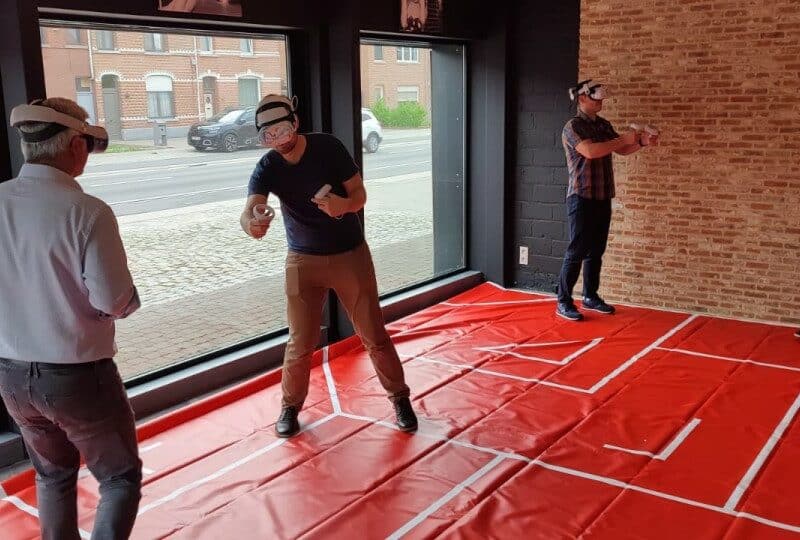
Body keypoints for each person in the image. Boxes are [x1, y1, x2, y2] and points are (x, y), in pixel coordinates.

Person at [0, 98, 142, 539]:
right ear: (76, 146)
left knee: (52, 474)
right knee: (119, 478)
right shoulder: (87, 211)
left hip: (11, 375)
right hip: (78, 377)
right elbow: (114, 301)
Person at [240, 94, 418, 438]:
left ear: (295, 123)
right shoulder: (268, 165)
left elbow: (360, 194)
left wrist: (343, 206)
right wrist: (253, 223)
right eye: (267, 136)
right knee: (299, 342)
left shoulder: (327, 147)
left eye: (282, 130)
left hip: (349, 255)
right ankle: (290, 406)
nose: (278, 140)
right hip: (302, 260)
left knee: (373, 335)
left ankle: (400, 398)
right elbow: (249, 209)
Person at [556, 80, 659, 321]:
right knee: (577, 250)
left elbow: (621, 149)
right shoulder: (573, 126)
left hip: (602, 196)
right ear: (582, 98)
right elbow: (591, 151)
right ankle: (563, 301)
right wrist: (624, 139)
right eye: (596, 97)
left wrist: (642, 142)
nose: (601, 101)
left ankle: (590, 296)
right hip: (581, 197)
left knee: (596, 250)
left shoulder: (603, 125)